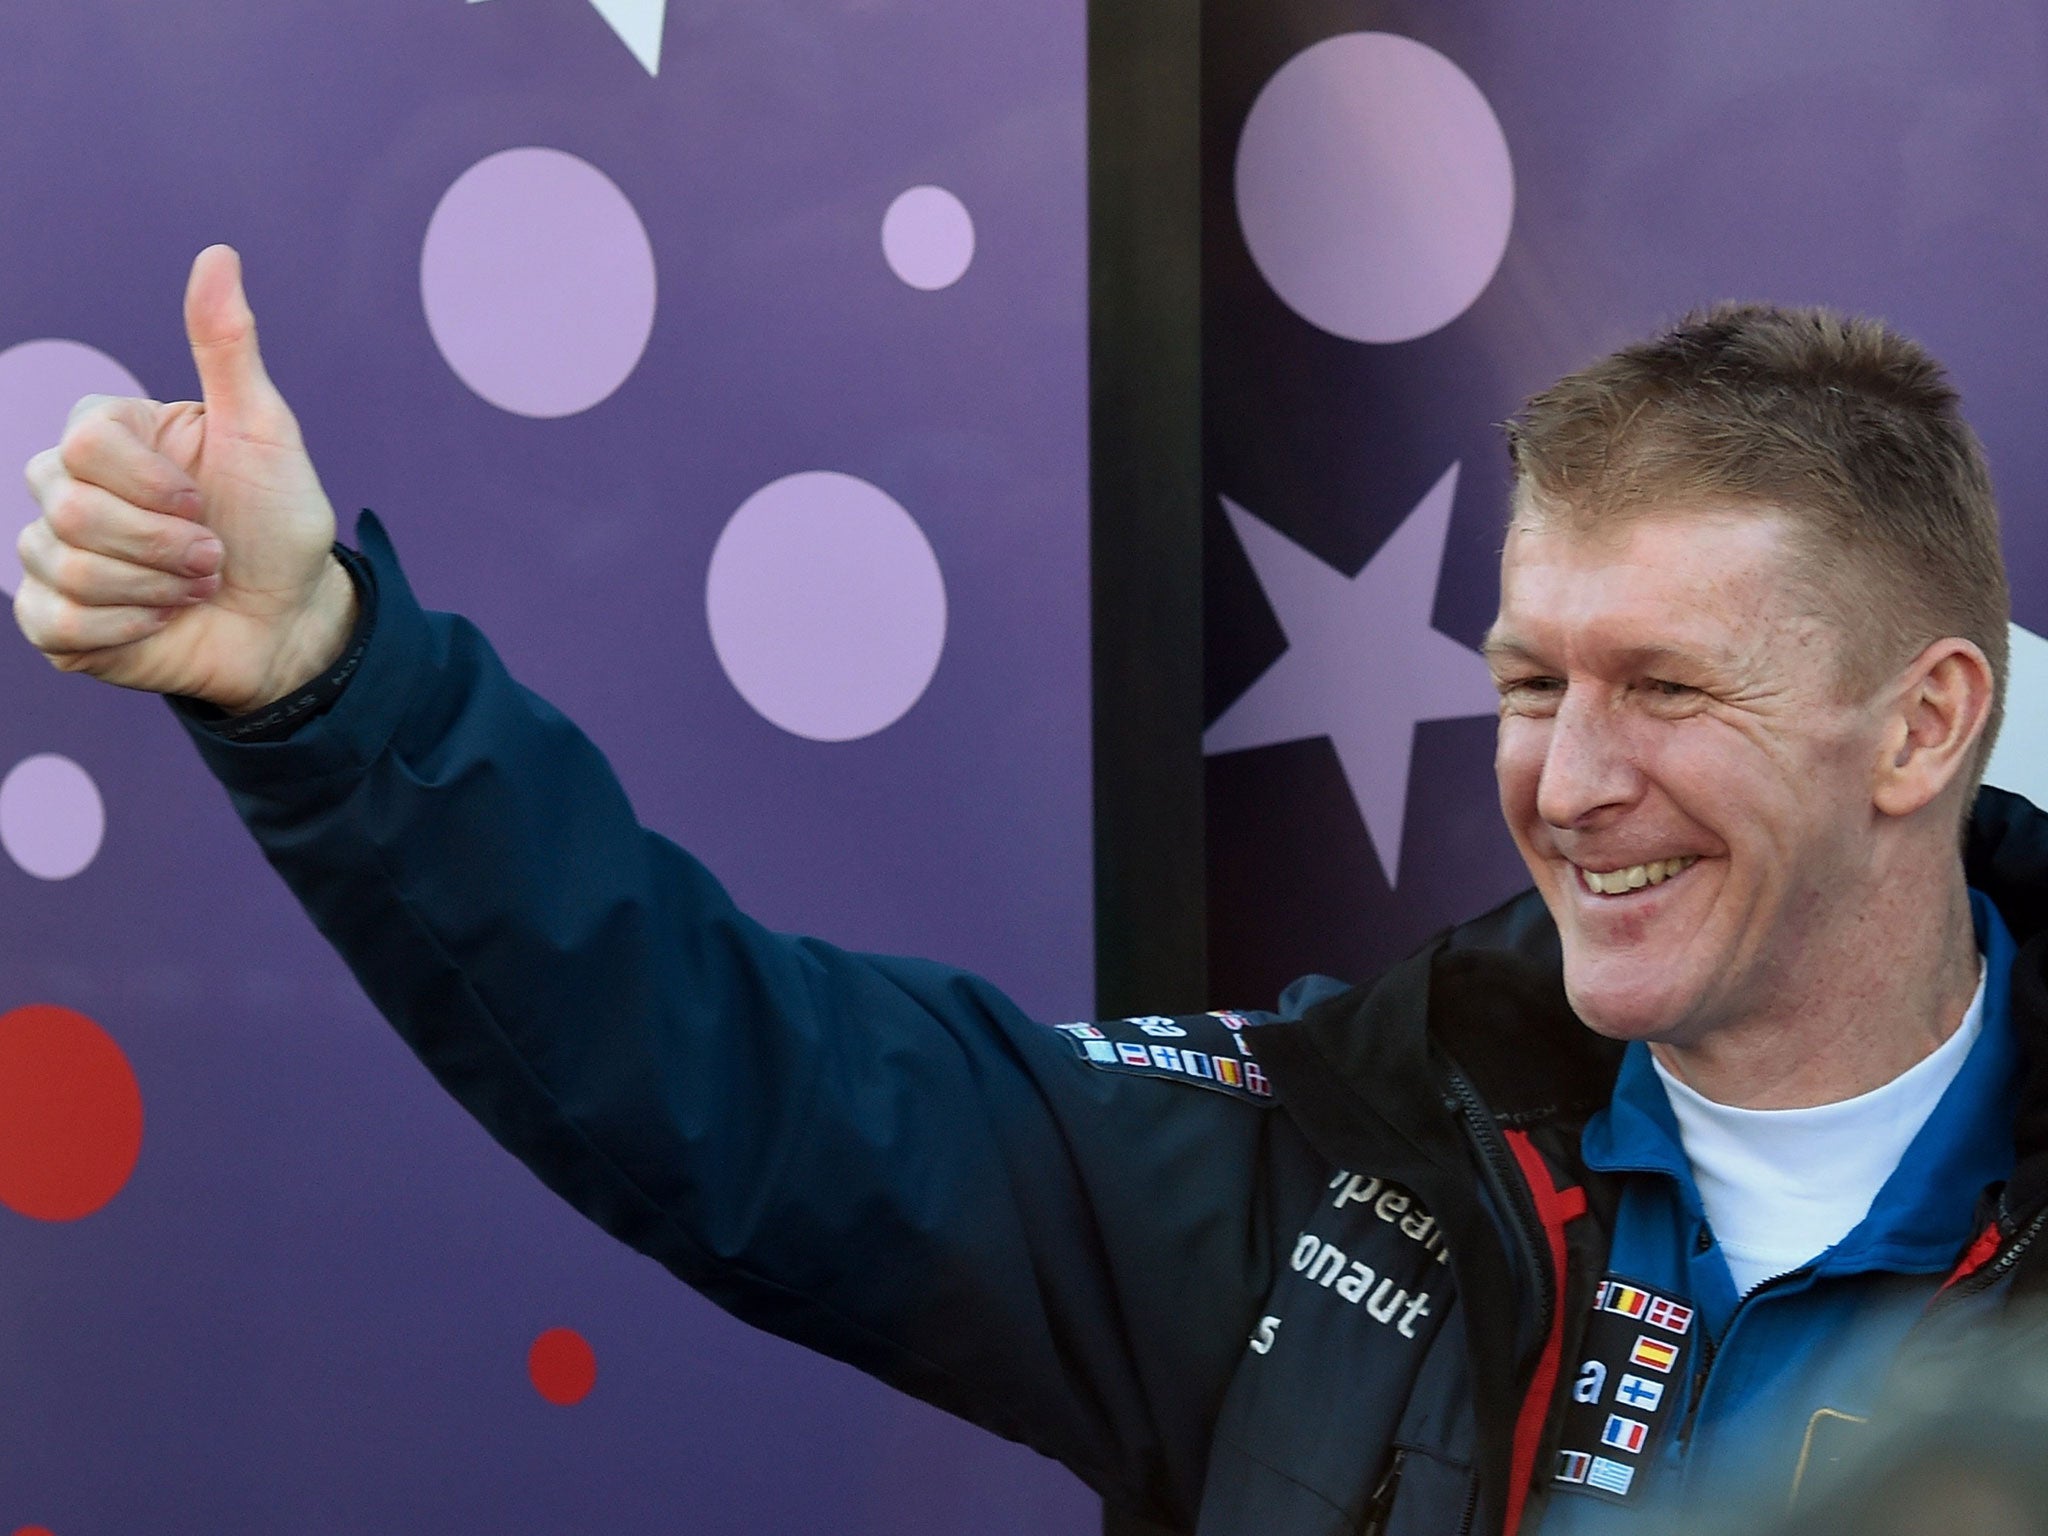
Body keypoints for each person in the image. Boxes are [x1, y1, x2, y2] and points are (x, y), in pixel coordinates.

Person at [14, 245, 2046, 1536]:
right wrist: (323, 679)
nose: (1570, 781)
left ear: (1920, 724)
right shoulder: (1326, 1162)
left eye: (1665, 688)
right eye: (1529, 683)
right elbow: (736, 1075)